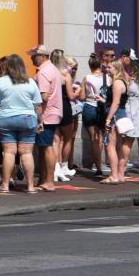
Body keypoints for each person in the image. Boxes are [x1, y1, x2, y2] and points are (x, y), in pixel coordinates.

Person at [0, 54, 43, 193]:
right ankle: (31, 186)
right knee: (26, 153)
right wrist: (40, 121)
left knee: (9, 152)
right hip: (27, 118)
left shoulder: (1, 82)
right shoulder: (30, 82)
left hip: (6, 119)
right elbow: (38, 105)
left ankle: (5, 185)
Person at [29, 46, 62, 192]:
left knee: (46, 146)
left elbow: (43, 97)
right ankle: (44, 179)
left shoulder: (43, 72)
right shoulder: (52, 69)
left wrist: (38, 115)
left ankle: (49, 181)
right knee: (44, 147)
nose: (31, 58)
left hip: (46, 114)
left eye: (34, 55)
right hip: (52, 112)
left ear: (42, 56)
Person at [101, 61, 131, 184]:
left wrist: (108, 119)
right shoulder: (122, 82)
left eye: (109, 67)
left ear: (117, 68)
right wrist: (103, 100)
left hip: (115, 116)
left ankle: (114, 175)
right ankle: (120, 175)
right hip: (120, 114)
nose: (107, 69)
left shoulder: (117, 83)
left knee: (110, 146)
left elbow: (116, 102)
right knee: (118, 146)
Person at [81, 54, 109, 176]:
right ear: (100, 65)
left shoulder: (86, 78)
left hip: (89, 107)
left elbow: (82, 97)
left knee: (94, 139)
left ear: (90, 66)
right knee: (101, 138)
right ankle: (99, 164)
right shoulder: (108, 78)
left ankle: (97, 166)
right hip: (102, 108)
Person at [55, 54, 79, 182]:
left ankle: (56, 167)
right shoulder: (66, 76)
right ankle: (63, 166)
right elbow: (71, 96)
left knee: (56, 140)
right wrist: (78, 91)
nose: (73, 69)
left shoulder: (52, 74)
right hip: (65, 106)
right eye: (72, 66)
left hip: (54, 107)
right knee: (68, 138)